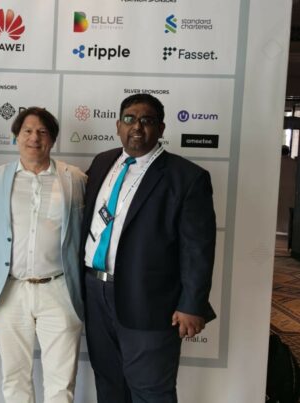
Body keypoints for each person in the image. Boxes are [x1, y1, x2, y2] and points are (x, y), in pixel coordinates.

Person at [82, 94, 217, 403]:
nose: (137, 127)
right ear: (118, 125)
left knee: (151, 390)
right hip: (95, 291)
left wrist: (192, 304)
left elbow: (198, 249)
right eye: (129, 119)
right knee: (109, 382)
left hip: (150, 300)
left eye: (147, 120)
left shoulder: (187, 177)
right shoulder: (102, 163)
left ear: (161, 128)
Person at [0, 107, 85, 403]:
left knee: (61, 382)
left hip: (60, 289)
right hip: (10, 290)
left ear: (52, 139)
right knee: (15, 378)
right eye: (27, 131)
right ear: (16, 137)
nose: (34, 138)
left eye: (42, 132)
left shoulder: (75, 179)